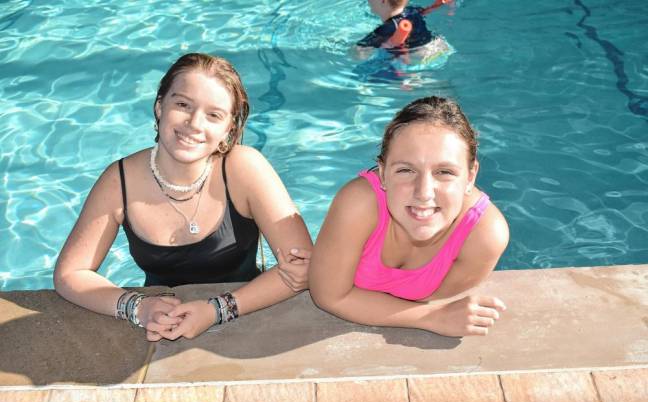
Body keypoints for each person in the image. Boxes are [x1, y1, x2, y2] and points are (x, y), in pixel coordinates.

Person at [54, 53, 312, 341]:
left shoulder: (244, 169)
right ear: (159, 107)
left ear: (228, 129)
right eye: (182, 105)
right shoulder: (120, 180)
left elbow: (303, 267)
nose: (194, 123)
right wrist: (137, 307)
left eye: (213, 115)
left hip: (249, 313)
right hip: (159, 319)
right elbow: (70, 273)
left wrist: (218, 309)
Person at [309, 96, 509, 337]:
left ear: (470, 175)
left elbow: (341, 295)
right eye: (405, 170)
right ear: (383, 173)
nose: (423, 193)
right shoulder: (359, 204)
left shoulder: (483, 236)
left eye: (444, 172)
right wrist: (432, 317)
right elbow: (329, 296)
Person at [356, 0, 451, 52]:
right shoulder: (412, 11)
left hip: (419, 55)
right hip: (438, 46)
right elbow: (425, 11)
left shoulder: (385, 29)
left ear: (383, 1)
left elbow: (361, 49)